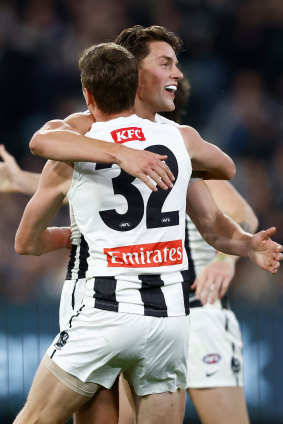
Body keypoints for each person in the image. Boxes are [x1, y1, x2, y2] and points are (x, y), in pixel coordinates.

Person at [13, 41, 282, 424]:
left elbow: (26, 237)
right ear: (137, 82)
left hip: (105, 310)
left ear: (89, 94)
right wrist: (244, 246)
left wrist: (77, 229)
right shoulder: (179, 142)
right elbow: (220, 202)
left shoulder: (73, 146)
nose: (176, 73)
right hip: (170, 322)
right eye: (167, 63)